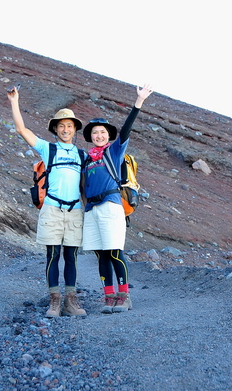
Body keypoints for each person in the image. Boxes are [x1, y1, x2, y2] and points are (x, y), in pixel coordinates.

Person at [7, 86, 87, 317]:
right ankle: (54, 300)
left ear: (74, 130)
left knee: (70, 256)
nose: (65, 129)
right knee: (52, 255)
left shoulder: (82, 155)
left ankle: (71, 301)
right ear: (56, 128)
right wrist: (15, 101)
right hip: (52, 207)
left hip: (74, 210)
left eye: (69, 126)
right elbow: (21, 129)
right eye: (61, 125)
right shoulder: (47, 149)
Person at [81, 84, 153, 314]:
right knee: (100, 254)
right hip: (92, 209)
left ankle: (124, 296)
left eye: (102, 132)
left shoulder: (114, 151)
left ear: (108, 135)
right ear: (90, 137)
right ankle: (108, 296)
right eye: (95, 133)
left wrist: (138, 102)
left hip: (111, 206)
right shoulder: (87, 158)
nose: (99, 135)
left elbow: (126, 130)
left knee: (114, 251)